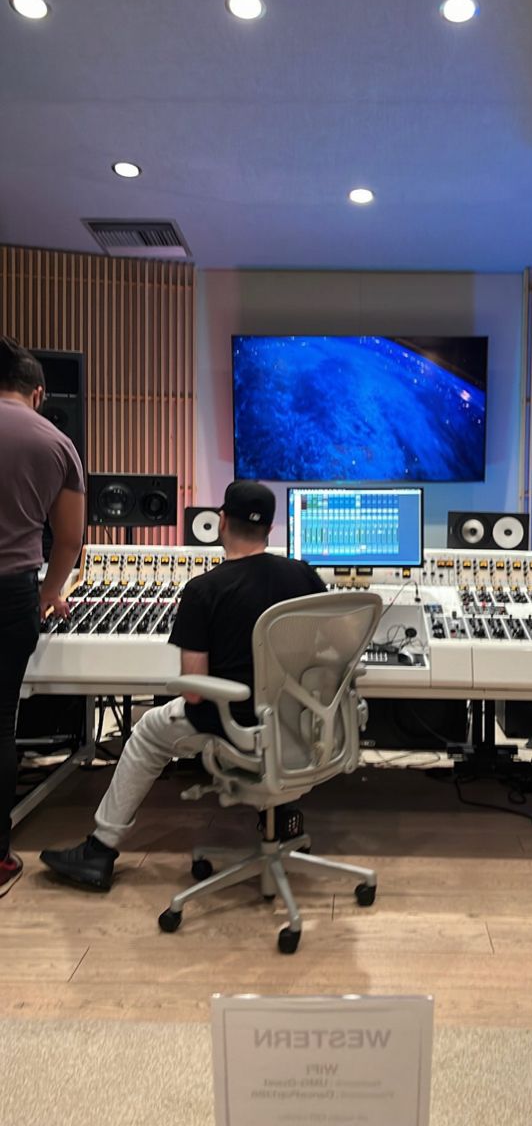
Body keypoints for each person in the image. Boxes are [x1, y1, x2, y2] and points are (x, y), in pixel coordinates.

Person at [40, 479, 327, 891]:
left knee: (146, 735)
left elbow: (194, 691)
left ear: (221, 521)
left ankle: (100, 849)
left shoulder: (203, 590)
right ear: (270, 528)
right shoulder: (305, 576)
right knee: (275, 724)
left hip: (232, 728)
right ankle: (282, 819)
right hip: (295, 723)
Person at [0, 337, 85, 896]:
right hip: (10, 594)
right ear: (36, 392)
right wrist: (50, 592)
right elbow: (70, 539)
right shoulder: (54, 441)